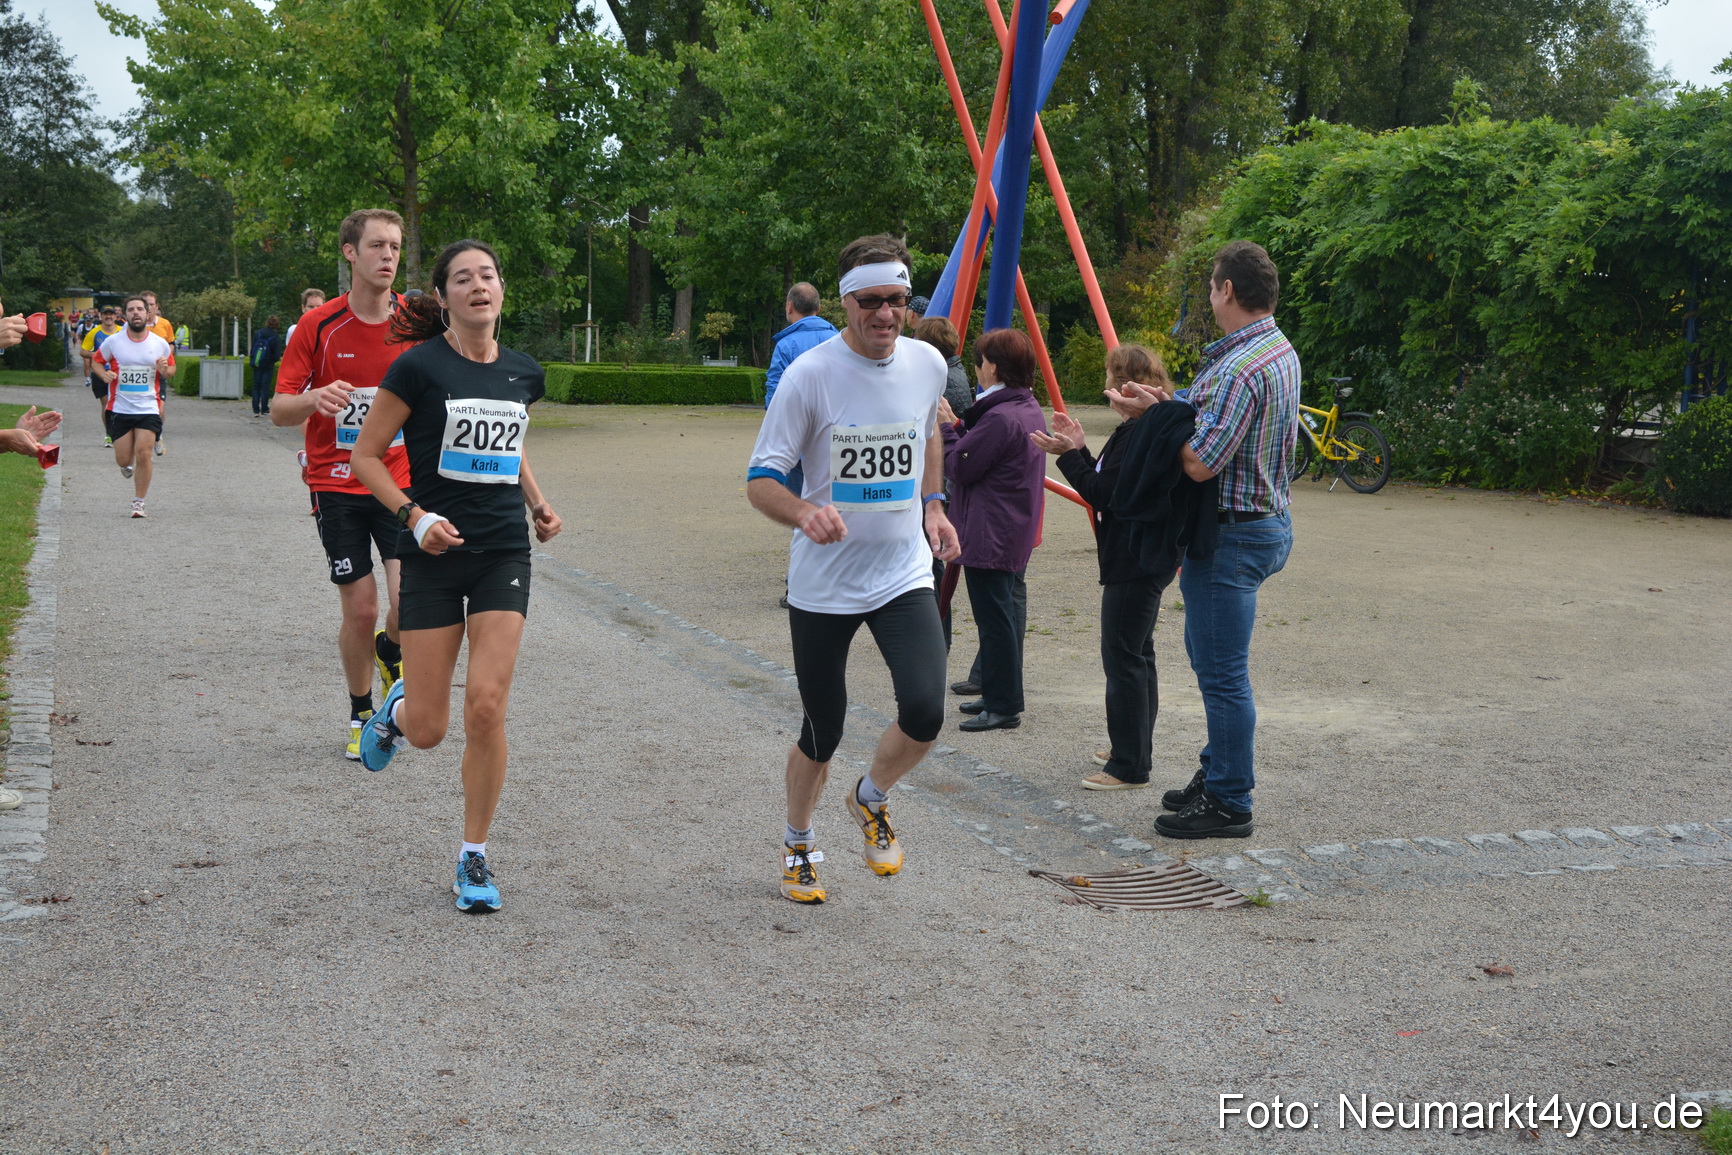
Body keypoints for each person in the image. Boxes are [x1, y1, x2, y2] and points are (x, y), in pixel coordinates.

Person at [746, 233, 960, 905]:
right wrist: (803, 513)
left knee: (925, 710)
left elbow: (927, 431)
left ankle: (871, 795)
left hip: (902, 571)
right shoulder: (810, 375)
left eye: (897, 299)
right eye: (871, 301)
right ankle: (798, 841)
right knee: (823, 729)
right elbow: (761, 479)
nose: (886, 314)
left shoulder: (926, 363)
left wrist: (933, 504)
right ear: (845, 302)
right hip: (825, 583)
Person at [351, 238, 562, 914]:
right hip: (433, 554)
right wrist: (413, 518)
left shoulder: (524, 372)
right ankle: (397, 711)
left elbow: (510, 441)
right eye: (463, 278)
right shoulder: (417, 368)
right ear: (443, 297)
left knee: (487, 707)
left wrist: (537, 502)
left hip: (502, 551)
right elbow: (365, 457)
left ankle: (473, 853)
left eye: (488, 275)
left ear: (502, 289)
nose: (479, 286)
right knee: (429, 730)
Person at [1116, 241, 1299, 840]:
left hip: (1231, 536)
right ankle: (1219, 770)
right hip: (1263, 521)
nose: (1210, 296)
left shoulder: (1240, 367)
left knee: (1222, 676)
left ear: (1227, 290)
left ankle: (1229, 799)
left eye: (1211, 286)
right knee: (1212, 661)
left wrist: (1151, 421)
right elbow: (1205, 418)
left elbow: (1199, 462)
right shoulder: (1275, 348)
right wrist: (1163, 405)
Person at [273, 209, 413, 761]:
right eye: (377, 245)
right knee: (360, 609)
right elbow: (280, 409)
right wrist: (314, 398)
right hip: (336, 484)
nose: (388, 256)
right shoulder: (319, 325)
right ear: (350, 253)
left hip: (399, 483)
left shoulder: (417, 322)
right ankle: (361, 712)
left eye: (395, 246)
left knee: (408, 602)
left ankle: (389, 651)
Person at [1032, 343, 1180, 789]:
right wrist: (1078, 449)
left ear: (1124, 384)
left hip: (1134, 557)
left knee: (1123, 656)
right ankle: (1133, 746)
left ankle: (1130, 765)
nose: (1107, 384)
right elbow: (1108, 480)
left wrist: (1067, 456)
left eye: (1110, 375)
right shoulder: (1143, 429)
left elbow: (1103, 493)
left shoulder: (1138, 434)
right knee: (1138, 653)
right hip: (1146, 554)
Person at [937, 327, 1047, 733]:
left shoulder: (1001, 416)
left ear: (994, 368)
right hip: (1007, 525)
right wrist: (960, 429)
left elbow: (961, 466)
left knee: (995, 620)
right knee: (998, 617)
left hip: (992, 530)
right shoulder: (1024, 406)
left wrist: (947, 429)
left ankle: (1004, 704)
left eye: (981, 362)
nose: (977, 369)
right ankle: (997, 692)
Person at [91, 296, 175, 517]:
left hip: (148, 407)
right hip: (120, 408)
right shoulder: (114, 341)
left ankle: (139, 502)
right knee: (124, 459)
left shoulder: (159, 343)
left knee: (144, 453)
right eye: (131, 309)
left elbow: (170, 369)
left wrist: (164, 370)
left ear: (148, 313)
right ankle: (126, 465)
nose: (135, 312)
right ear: (125, 315)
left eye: (140, 309)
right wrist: (103, 375)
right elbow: (96, 361)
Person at [81, 305, 122, 446]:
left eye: (111, 314)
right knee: (106, 404)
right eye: (106, 314)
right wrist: (96, 355)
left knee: (120, 405)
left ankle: (121, 433)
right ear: (101, 316)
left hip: (118, 374)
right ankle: (109, 434)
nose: (108, 317)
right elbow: (83, 351)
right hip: (100, 373)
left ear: (115, 316)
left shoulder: (122, 332)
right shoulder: (94, 332)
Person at [142, 292, 174, 457]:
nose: (149, 307)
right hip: (139, 372)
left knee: (159, 409)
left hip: (158, 373)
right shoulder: (131, 324)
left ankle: (158, 435)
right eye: (145, 304)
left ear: (156, 306)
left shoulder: (164, 324)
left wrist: (166, 359)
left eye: (151, 304)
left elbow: (171, 345)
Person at [248, 315, 284, 417]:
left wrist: (254, 359)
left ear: (267, 322)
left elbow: (252, 349)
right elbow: (277, 355)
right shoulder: (275, 337)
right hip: (268, 365)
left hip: (257, 363)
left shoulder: (258, 333)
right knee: (265, 387)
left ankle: (255, 410)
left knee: (256, 386)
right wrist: (271, 360)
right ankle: (264, 409)